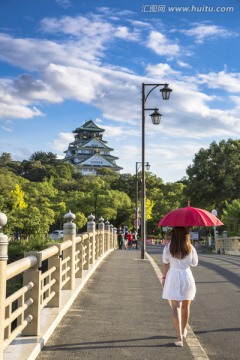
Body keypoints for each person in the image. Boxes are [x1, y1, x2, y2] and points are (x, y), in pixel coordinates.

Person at [161, 227, 198, 347]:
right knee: (186, 306)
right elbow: (194, 263)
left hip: (173, 276)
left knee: (175, 307)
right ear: (186, 235)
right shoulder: (190, 247)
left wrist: (164, 278)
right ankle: (183, 331)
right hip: (186, 276)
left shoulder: (169, 247)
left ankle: (179, 337)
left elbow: (165, 263)